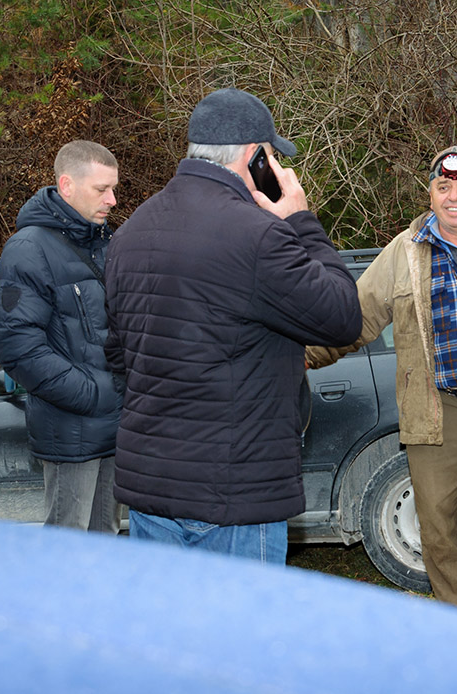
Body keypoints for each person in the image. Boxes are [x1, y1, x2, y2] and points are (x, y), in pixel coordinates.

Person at [103, 88, 362, 562]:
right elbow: (343, 317)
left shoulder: (130, 233)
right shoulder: (259, 235)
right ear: (255, 157)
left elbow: (118, 356)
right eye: (272, 158)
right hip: (235, 493)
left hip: (151, 491)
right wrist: (301, 220)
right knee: (242, 615)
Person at [306, 146, 457, 612]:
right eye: (444, 186)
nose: (455, 196)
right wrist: (299, 356)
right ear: (430, 194)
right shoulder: (403, 250)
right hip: (433, 405)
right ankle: (456, 618)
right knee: (436, 520)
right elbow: (354, 318)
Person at [0, 141, 123, 533]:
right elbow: (17, 346)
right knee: (68, 545)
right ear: (67, 185)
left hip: (115, 424)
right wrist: (91, 395)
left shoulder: (106, 243)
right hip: (71, 429)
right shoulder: (28, 249)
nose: (112, 200)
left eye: (113, 189)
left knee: (106, 540)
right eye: (102, 189)